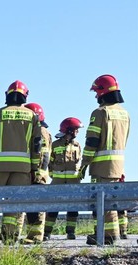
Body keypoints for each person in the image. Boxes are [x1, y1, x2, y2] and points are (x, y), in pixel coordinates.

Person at [0, 81, 42, 245]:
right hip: (23, 168)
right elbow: (37, 145)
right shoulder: (32, 116)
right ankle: (9, 236)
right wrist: (35, 168)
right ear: (25, 96)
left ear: (7, 95)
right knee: (15, 201)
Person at [80, 74, 130, 245]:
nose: (96, 96)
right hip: (118, 165)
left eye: (96, 92)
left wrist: (84, 163)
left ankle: (107, 236)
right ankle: (111, 233)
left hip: (102, 165)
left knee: (102, 202)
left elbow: (92, 141)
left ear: (102, 91)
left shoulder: (100, 113)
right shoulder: (125, 114)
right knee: (112, 200)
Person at [46, 117, 84, 240]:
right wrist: (52, 174)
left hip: (74, 183)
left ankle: (70, 232)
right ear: (69, 130)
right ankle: (46, 232)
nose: (77, 132)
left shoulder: (77, 145)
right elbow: (49, 162)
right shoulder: (55, 145)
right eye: (76, 129)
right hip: (57, 182)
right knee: (53, 208)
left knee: (73, 208)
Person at [21, 102, 52, 244]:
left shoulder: (41, 131)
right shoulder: (36, 129)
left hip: (38, 175)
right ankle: (31, 235)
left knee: (37, 208)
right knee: (31, 208)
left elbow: (43, 155)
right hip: (33, 173)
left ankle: (36, 237)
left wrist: (37, 173)